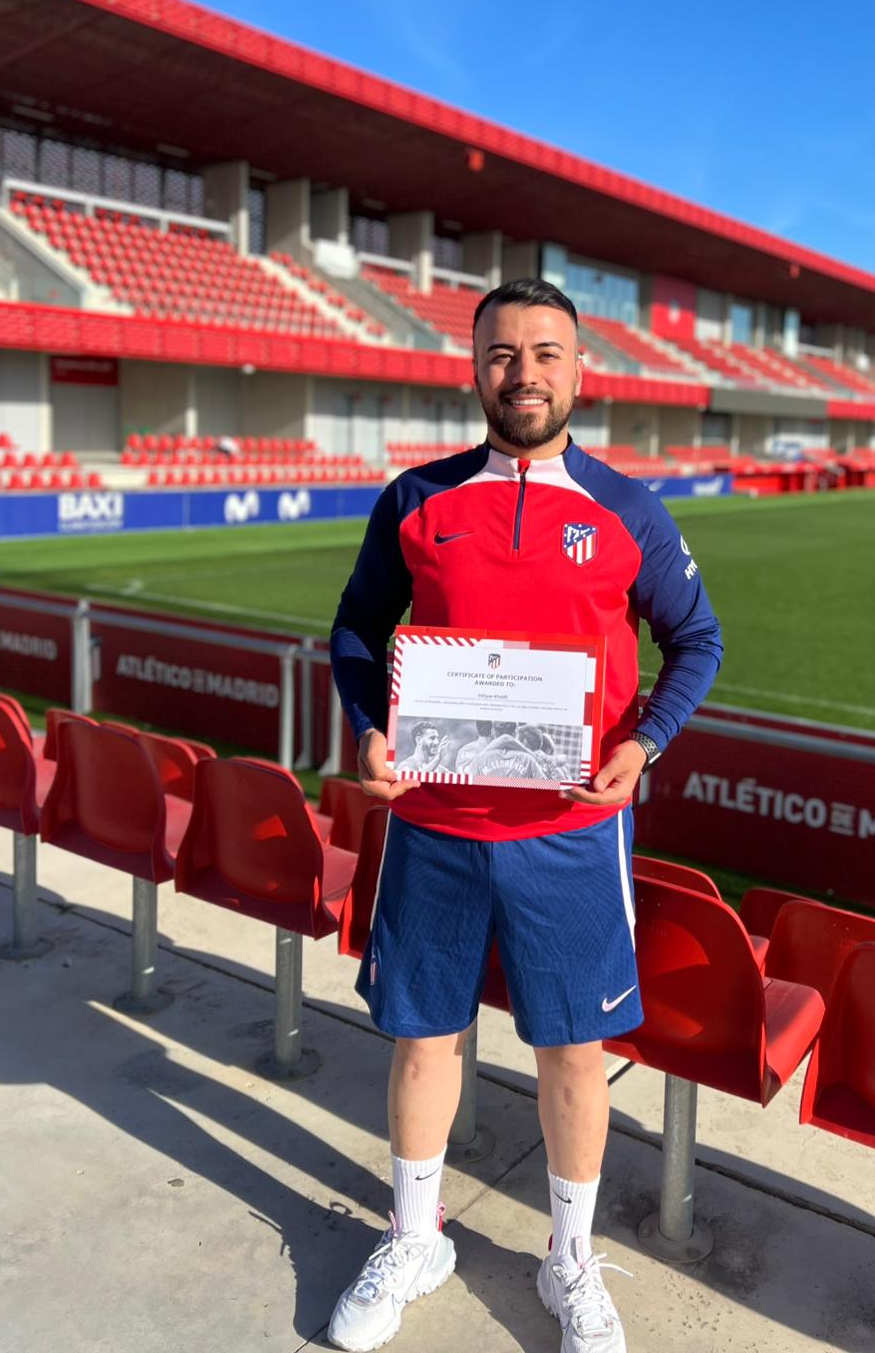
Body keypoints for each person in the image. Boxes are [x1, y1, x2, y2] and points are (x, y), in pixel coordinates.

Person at [329, 277, 722, 1353]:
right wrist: (369, 728)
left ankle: (571, 1263)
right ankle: (417, 1237)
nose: (525, 374)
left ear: (580, 367)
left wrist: (642, 747)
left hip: (570, 839)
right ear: (474, 368)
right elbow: (358, 631)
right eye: (503, 354)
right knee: (420, 1043)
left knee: (574, 1055)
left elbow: (699, 642)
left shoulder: (628, 512)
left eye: (546, 353)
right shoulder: (415, 500)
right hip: (436, 829)